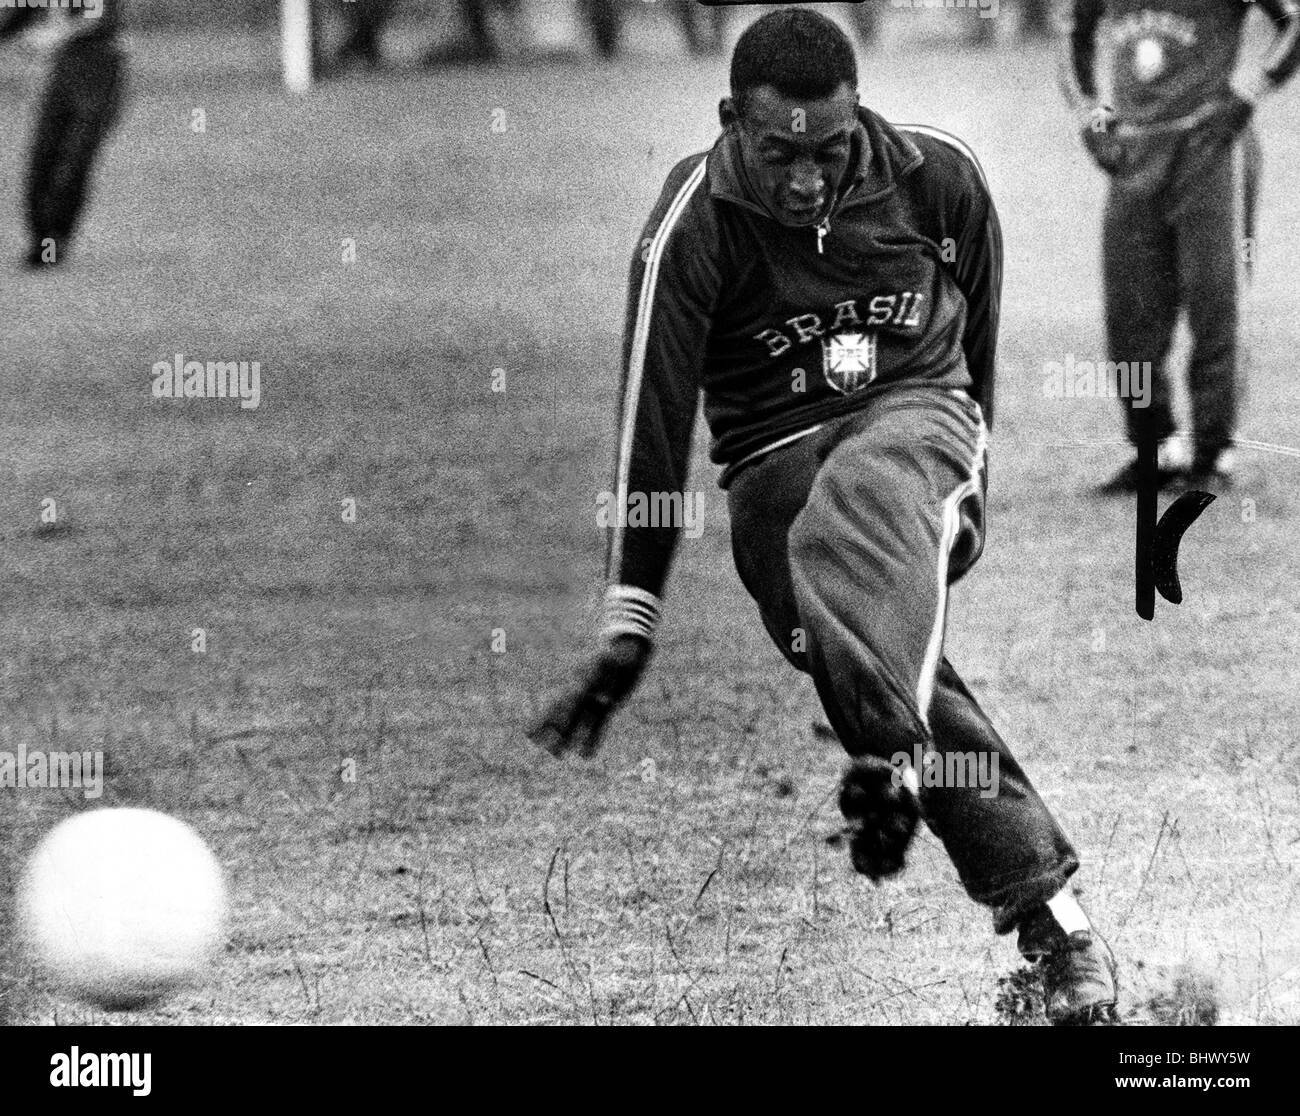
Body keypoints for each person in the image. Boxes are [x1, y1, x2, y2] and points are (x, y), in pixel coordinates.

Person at [529, 7, 1118, 1024]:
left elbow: (974, 341)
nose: (805, 179)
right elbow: (652, 425)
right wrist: (631, 621)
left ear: (860, 117)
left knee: (859, 504)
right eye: (777, 156)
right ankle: (1056, 929)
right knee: (847, 615)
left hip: (917, 428)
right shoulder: (693, 226)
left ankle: (885, 754)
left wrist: (964, 478)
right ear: (727, 122)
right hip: (771, 471)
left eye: (828, 152)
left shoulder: (938, 180)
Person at [1069, 0, 1300, 491]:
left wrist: (1246, 96)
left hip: (1210, 148)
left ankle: (1214, 455)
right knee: (1129, 316)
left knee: (1216, 305)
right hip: (1132, 153)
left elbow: (1294, 22)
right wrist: (1093, 116)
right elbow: (1075, 31)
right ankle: (1156, 447)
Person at [0, 0, 126, 269]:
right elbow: (18, 17)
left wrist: (53, 35)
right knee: (42, 159)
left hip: (100, 72)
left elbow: (97, 18)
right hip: (64, 73)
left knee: (73, 163)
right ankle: (42, 242)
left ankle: (52, 244)